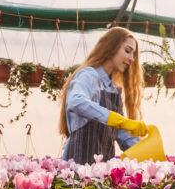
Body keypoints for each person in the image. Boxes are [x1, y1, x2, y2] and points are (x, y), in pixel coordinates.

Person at [58, 26, 149, 164]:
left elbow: (122, 134)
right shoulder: (89, 75)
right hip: (78, 168)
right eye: (127, 51)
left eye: (133, 54)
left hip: (102, 172)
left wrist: (149, 155)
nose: (131, 58)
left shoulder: (113, 90)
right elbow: (76, 101)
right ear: (111, 47)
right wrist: (115, 118)